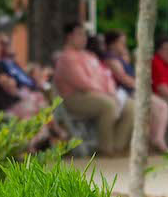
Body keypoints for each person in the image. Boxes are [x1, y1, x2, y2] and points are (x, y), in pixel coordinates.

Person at [53, 21, 133, 156]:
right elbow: (82, 82)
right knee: (108, 105)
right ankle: (105, 148)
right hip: (76, 98)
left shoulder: (90, 56)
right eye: (79, 34)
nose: (84, 38)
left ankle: (118, 146)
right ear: (69, 37)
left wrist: (111, 91)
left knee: (131, 107)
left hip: (99, 95)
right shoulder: (66, 58)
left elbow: (106, 76)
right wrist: (107, 94)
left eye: (84, 34)